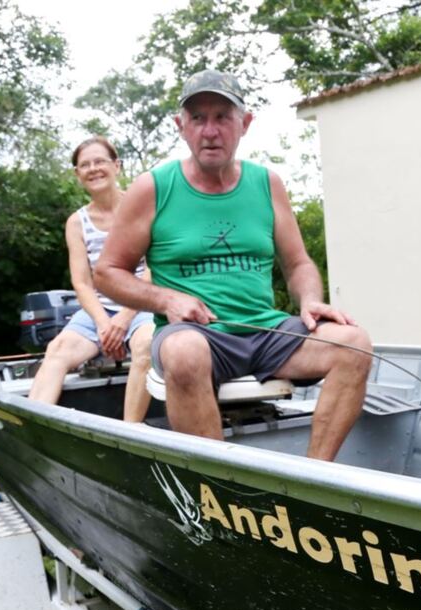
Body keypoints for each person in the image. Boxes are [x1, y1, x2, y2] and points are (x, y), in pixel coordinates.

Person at [94, 69, 371, 461]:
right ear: (181, 127)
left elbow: (298, 264)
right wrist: (167, 300)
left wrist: (310, 300)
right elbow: (107, 272)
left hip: (263, 329)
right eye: (198, 118)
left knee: (354, 344)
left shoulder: (266, 183)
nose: (210, 130)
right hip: (194, 335)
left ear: (245, 123)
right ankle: (221, 488)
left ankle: (315, 476)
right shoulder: (153, 187)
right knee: (185, 352)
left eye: (223, 117)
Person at [28, 136, 155, 422]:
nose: (93, 169)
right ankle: (33, 426)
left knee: (145, 347)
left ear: (117, 166)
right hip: (98, 312)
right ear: (77, 174)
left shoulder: (143, 208)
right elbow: (82, 282)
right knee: (56, 349)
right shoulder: (76, 222)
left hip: (141, 307)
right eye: (85, 165)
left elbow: (153, 270)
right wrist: (103, 323)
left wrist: (123, 319)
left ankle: (129, 432)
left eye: (100, 161)